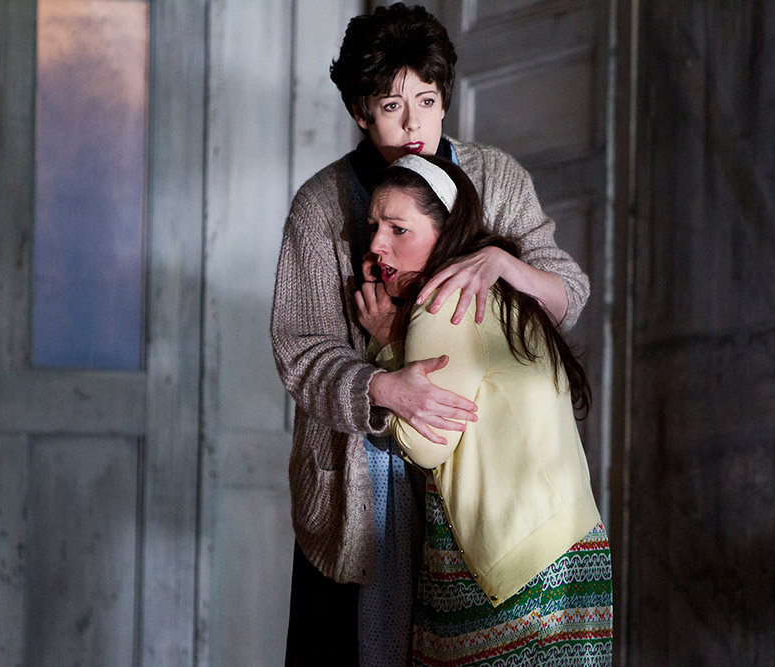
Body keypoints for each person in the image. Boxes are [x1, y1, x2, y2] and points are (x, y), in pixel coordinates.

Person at [270, 4, 590, 665]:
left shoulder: (495, 179)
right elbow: (301, 350)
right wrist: (383, 385)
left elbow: (568, 292)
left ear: (445, 98)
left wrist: (503, 263)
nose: (413, 124)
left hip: (479, 482)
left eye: (427, 100)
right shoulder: (319, 207)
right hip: (357, 485)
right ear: (361, 113)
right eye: (392, 106)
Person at [356, 154, 612, 666]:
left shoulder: (443, 301)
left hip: (514, 564)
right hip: (574, 545)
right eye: (374, 227)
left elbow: (426, 445)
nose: (377, 245)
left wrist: (386, 344)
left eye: (398, 229)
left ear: (445, 232)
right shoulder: (506, 293)